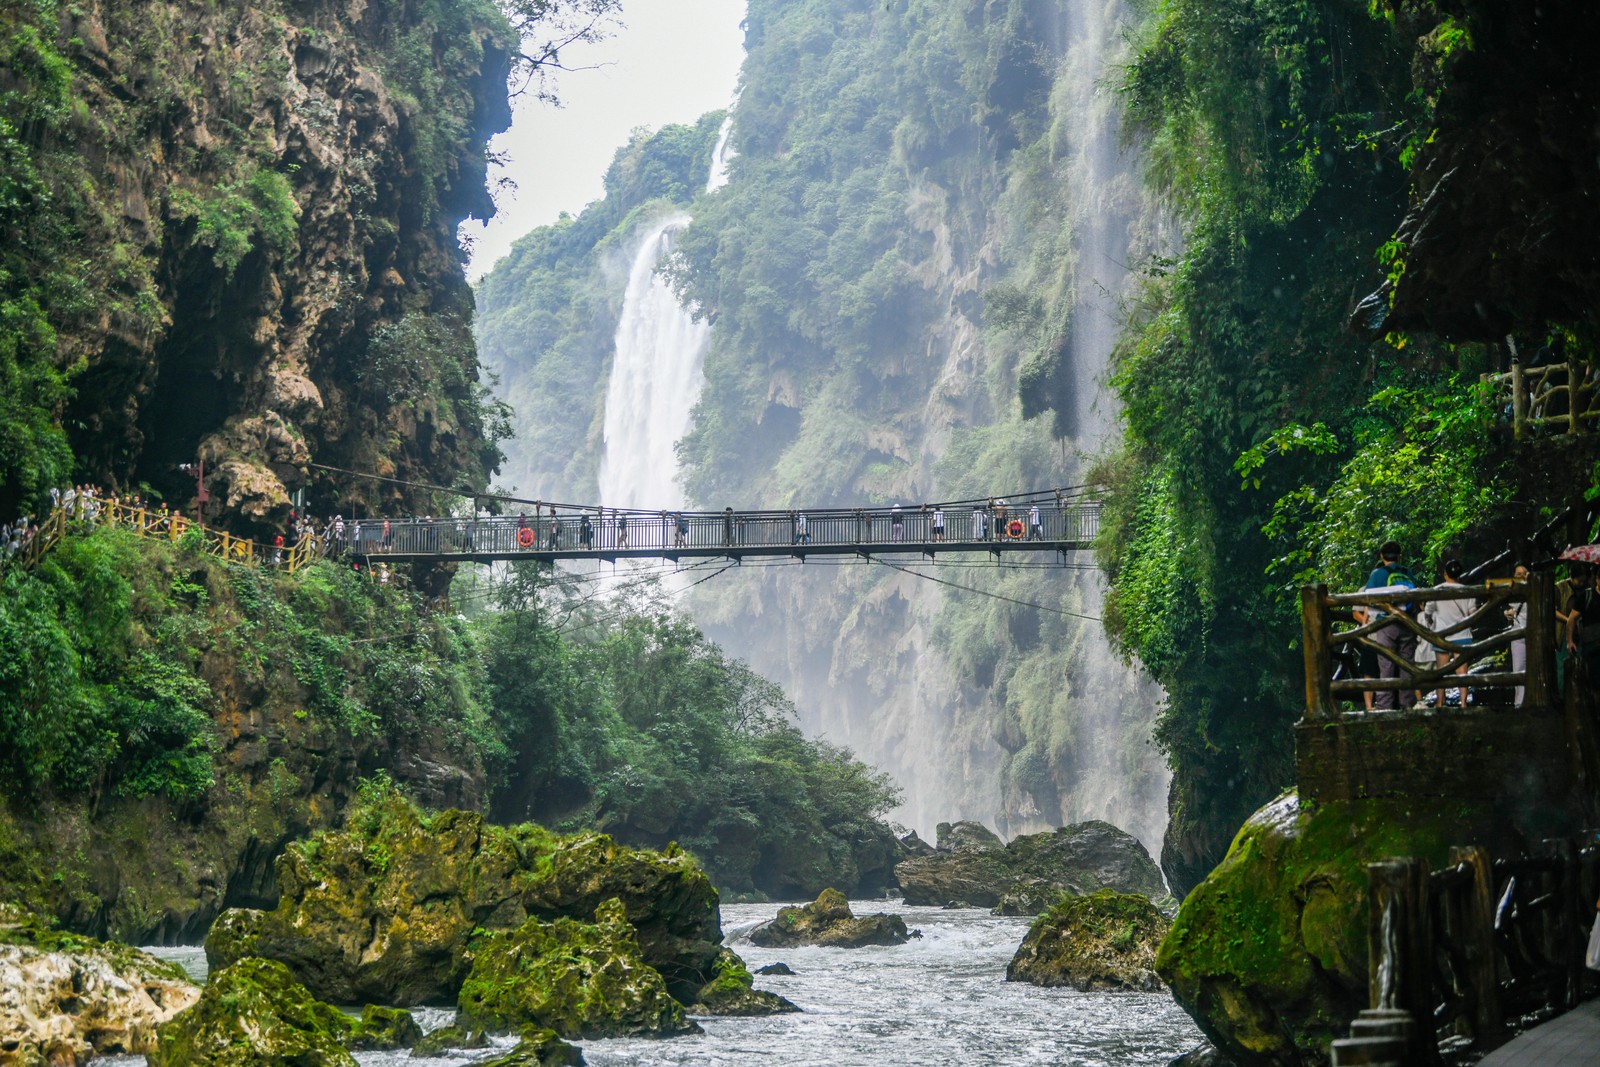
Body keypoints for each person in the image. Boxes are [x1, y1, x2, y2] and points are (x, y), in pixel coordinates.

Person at [1364, 541, 1418, 710]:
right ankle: (1407, 704)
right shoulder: (1407, 572)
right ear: (1399, 556)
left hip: (1386, 624)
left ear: (1381, 556)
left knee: (1386, 664)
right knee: (1406, 663)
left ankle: (1384, 705)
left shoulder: (1377, 574)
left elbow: (1369, 599)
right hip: (1407, 622)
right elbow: (1416, 596)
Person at [1421, 559, 1476, 708]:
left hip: (1441, 636)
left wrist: (1431, 624)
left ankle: (1440, 702)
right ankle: (1463, 703)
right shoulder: (1468, 591)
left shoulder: (1437, 590)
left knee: (1441, 671)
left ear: (1445, 574)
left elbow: (1428, 612)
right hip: (1462, 636)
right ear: (1460, 574)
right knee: (1462, 672)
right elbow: (1473, 614)